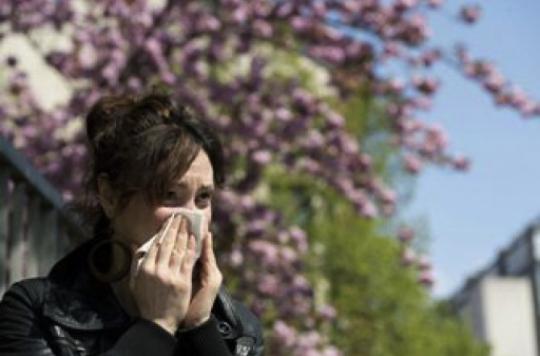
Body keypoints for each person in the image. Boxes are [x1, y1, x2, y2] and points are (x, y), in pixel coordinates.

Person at [0, 93, 264, 356]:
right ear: (110, 196)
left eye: (203, 198)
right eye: (169, 195)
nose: (191, 216)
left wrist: (200, 328)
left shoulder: (239, 329)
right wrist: (156, 327)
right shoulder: (37, 312)